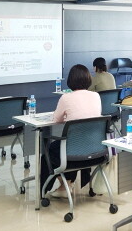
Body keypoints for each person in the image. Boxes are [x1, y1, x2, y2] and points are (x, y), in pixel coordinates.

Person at [42, 64, 102, 198]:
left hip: (73, 152)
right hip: (95, 150)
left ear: (71, 80)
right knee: (68, 144)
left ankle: (57, 187)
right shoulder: (96, 96)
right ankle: (67, 184)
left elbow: (56, 119)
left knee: (50, 151)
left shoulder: (66, 98)